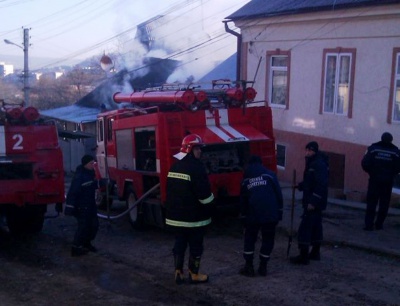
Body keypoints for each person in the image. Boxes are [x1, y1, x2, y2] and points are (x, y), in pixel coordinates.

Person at [165, 134, 215, 285]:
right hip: (194, 219)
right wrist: (213, 207)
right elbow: (204, 196)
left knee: (179, 243)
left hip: (176, 217)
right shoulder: (197, 168)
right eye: (197, 148)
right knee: (196, 246)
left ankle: (178, 272)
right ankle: (194, 274)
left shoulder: (175, 165)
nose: (200, 152)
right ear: (189, 149)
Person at [239, 155, 283, 277]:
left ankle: (249, 267)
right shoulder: (270, 175)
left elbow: (243, 201)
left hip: (253, 214)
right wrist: (279, 212)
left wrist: (243, 217)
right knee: (268, 239)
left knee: (250, 239)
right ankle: (263, 267)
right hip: (270, 213)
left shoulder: (246, 181)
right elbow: (279, 194)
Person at [290, 141, 329, 265]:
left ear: (314, 151)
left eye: (309, 150)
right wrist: (300, 186)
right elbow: (309, 181)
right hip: (315, 201)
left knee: (305, 228)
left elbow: (321, 184)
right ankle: (315, 252)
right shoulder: (313, 163)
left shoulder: (318, 164)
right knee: (316, 226)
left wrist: (313, 201)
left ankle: (304, 255)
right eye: (306, 150)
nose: (307, 153)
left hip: (314, 202)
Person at [361, 132, 400, 231]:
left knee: (371, 203)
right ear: (391, 140)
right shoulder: (395, 151)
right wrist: (391, 175)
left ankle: (369, 225)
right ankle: (379, 224)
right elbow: (398, 167)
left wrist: (371, 172)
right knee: (384, 204)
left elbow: (365, 163)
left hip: (374, 180)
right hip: (387, 182)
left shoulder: (373, 148)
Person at [65, 154, 100, 257]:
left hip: (91, 205)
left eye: (93, 163)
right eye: (91, 163)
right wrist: (70, 207)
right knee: (83, 227)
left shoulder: (90, 174)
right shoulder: (79, 176)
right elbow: (73, 192)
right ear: (85, 164)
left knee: (94, 225)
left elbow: (93, 185)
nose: (93, 165)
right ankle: (76, 248)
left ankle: (86, 243)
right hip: (81, 206)